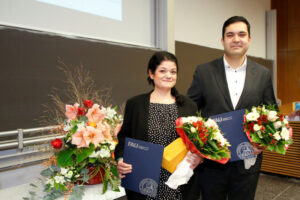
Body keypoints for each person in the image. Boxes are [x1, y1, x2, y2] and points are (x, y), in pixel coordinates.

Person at [187, 16, 277, 200]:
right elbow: (189, 110)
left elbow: (272, 112)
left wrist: (263, 141)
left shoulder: (263, 74)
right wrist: (196, 143)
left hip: (247, 158)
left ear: (249, 39)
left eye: (241, 34)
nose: (236, 39)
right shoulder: (204, 71)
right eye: (230, 35)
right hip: (211, 162)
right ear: (223, 40)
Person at [115, 51, 203, 200]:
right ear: (151, 73)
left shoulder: (189, 106)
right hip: (144, 182)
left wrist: (199, 157)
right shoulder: (135, 105)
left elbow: (198, 142)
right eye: (162, 70)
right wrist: (120, 159)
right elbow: (123, 140)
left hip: (180, 183)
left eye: (173, 72)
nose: (168, 75)